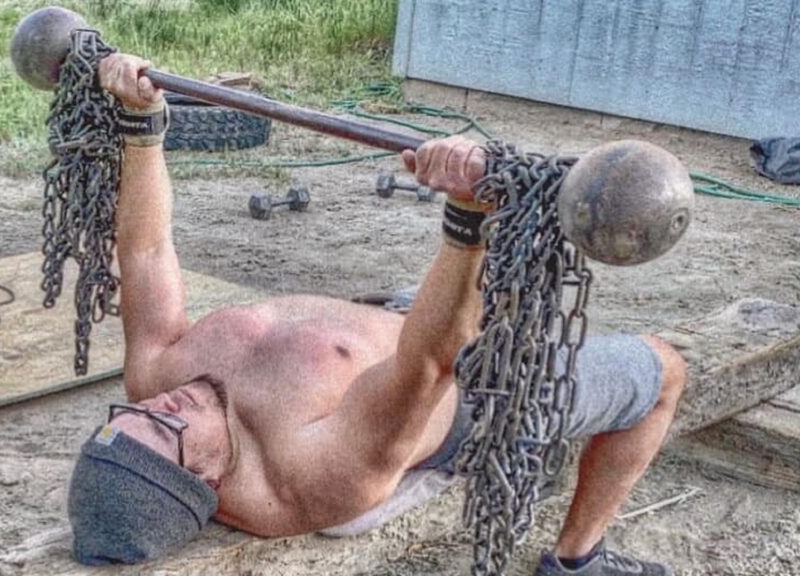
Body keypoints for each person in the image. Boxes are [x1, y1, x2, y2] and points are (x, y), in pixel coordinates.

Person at [67, 53, 687, 576]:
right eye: (163, 431)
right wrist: (468, 212)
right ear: (204, 483)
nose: (158, 405)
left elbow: (145, 252)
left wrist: (140, 122)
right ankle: (578, 558)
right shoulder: (307, 475)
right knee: (664, 371)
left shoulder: (157, 382)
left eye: (133, 415)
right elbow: (428, 364)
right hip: (483, 386)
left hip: (397, 311)